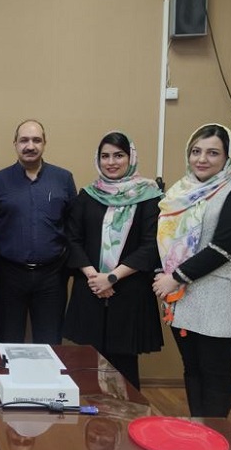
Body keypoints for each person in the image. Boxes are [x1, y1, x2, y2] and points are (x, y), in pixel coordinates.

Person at [153, 123, 231, 418]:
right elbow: (167, 240)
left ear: (228, 157)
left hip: (216, 297)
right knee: (192, 368)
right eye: (196, 151)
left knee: (214, 372)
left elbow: (223, 248)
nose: (202, 159)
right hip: (182, 298)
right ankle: (197, 426)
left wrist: (174, 278)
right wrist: (164, 274)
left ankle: (217, 433)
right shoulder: (180, 192)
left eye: (213, 153)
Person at [63, 132, 163, 390]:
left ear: (130, 158)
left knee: (124, 364)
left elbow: (151, 245)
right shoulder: (88, 195)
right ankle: (93, 414)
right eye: (105, 156)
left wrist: (112, 277)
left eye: (118, 155)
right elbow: (72, 239)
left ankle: (127, 413)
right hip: (91, 289)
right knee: (89, 362)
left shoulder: (149, 195)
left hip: (128, 290)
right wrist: (94, 277)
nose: (111, 162)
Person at [0, 120, 76, 345]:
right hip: (8, 275)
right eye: (24, 140)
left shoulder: (63, 179)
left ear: (45, 143)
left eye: (36, 140)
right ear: (15, 143)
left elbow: (73, 226)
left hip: (52, 276)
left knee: (50, 343)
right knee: (8, 342)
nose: (30, 146)